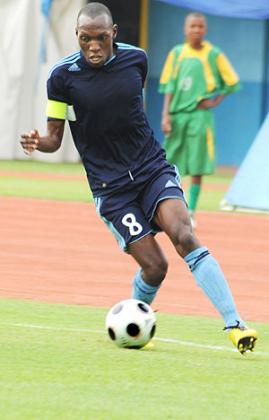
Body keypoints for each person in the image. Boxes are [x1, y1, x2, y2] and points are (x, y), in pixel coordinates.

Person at [20, 2, 257, 354]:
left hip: (151, 170)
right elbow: (55, 137)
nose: (94, 46)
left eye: (101, 38)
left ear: (113, 33)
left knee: (184, 235)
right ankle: (134, 315)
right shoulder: (61, 77)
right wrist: (40, 142)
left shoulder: (137, 60)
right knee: (156, 267)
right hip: (111, 189)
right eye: (86, 39)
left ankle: (235, 324)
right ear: (77, 37)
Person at [159, 12, 240, 228]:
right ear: (185, 29)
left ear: (205, 30)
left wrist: (215, 101)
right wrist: (165, 114)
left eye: (200, 26)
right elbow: (168, 86)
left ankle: (191, 212)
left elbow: (232, 81)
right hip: (177, 116)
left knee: (197, 166)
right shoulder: (177, 54)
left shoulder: (214, 54)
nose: (196, 30)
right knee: (167, 164)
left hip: (200, 117)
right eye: (192, 26)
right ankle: (166, 207)